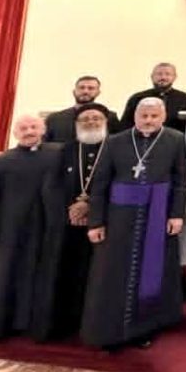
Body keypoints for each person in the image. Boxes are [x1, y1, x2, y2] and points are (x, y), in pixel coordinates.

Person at [81, 98, 186, 349]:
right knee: (112, 273)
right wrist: (96, 222)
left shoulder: (175, 139)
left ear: (163, 116)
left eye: (154, 116)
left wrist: (176, 214)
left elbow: (180, 180)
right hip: (119, 219)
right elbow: (100, 184)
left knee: (150, 273)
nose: (148, 121)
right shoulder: (115, 141)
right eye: (144, 116)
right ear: (135, 116)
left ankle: (144, 329)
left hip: (157, 215)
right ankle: (109, 332)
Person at [33, 104, 112, 341]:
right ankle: (59, 325)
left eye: (96, 118)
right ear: (77, 124)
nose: (91, 122)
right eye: (85, 119)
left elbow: (118, 185)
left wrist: (91, 208)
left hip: (100, 225)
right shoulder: (65, 150)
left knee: (92, 277)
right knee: (61, 275)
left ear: (105, 122)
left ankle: (89, 327)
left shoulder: (116, 148)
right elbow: (51, 186)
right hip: (65, 226)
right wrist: (68, 211)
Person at [0, 116, 62, 338]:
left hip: (47, 225)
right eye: (23, 128)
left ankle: (36, 325)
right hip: (11, 226)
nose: (29, 131)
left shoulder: (57, 154)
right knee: (8, 272)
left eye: (34, 127)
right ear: (15, 134)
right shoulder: (4, 160)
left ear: (43, 130)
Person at [44, 75, 122, 142]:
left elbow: (117, 142)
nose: (85, 91)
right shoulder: (55, 118)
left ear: (98, 92)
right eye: (81, 88)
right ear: (74, 91)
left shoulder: (109, 117)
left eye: (91, 88)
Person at [121, 63, 186, 133]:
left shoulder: (184, 98)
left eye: (167, 74)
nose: (163, 77)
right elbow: (125, 125)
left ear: (174, 77)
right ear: (152, 77)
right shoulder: (137, 98)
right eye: (159, 74)